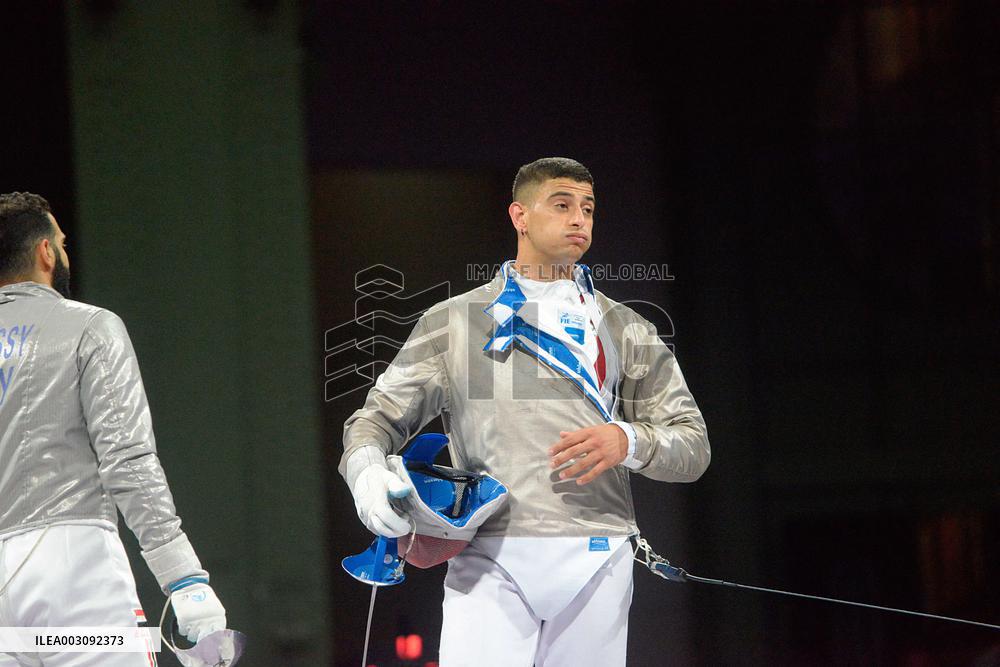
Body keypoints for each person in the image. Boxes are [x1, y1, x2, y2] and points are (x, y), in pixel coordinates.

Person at [341, 158, 710, 666]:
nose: (579, 219)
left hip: (598, 555)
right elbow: (374, 420)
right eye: (562, 205)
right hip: (491, 555)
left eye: (588, 208)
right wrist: (365, 476)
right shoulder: (454, 323)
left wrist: (629, 440)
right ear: (520, 216)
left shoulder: (627, 328)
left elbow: (692, 446)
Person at [0, 192, 227, 666]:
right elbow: (126, 458)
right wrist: (183, 577)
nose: (64, 251)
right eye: (61, 242)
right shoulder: (88, 327)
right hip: (71, 569)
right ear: (45, 252)